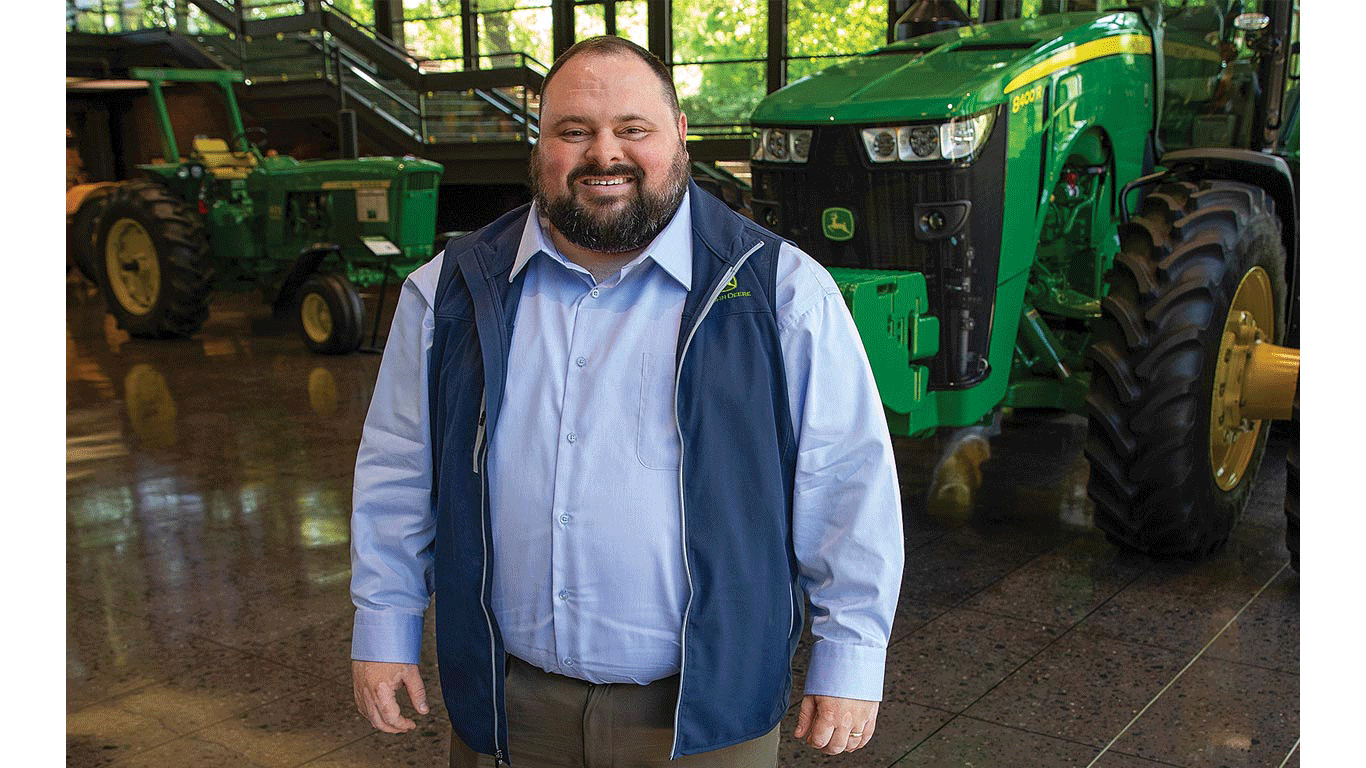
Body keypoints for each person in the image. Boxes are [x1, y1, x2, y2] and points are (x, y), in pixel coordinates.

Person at [350, 35, 903, 767]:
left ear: (679, 135)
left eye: (631, 129)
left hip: (703, 715)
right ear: (540, 145)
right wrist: (384, 625)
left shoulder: (781, 292)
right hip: (508, 706)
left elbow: (846, 481)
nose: (602, 154)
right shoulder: (449, 290)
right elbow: (398, 468)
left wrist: (852, 655)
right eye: (573, 131)